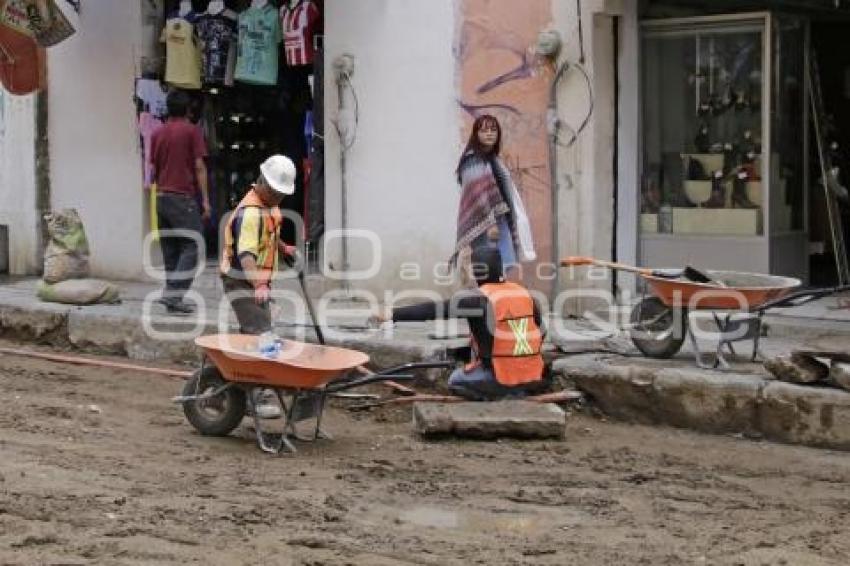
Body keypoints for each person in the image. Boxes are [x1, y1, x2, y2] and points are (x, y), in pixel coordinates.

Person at [374, 246, 547, 401]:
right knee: (480, 342)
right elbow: (542, 332)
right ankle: (518, 389)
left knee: (455, 379)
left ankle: (503, 395)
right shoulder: (524, 293)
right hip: (533, 376)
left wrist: (393, 314)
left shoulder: (477, 299)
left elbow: (434, 309)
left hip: (501, 378)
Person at [219, 154, 298, 336]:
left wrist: (283, 247)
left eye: (281, 195)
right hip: (239, 279)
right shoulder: (251, 214)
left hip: (254, 278)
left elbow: (268, 234)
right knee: (260, 329)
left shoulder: (269, 204)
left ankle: (247, 357)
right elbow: (246, 254)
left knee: (260, 323)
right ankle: (247, 361)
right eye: (276, 194)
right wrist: (259, 284)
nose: (278, 199)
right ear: (263, 184)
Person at [452, 115, 536, 281]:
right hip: (485, 224)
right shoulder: (472, 160)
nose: (489, 133)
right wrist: (490, 224)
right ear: (476, 134)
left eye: (493, 130)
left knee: (502, 267)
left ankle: (494, 304)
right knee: (491, 269)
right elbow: (478, 196)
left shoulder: (492, 159)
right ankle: (489, 304)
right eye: (484, 130)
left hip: (500, 221)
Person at [149, 89, 211, 314]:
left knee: (171, 249)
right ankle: (173, 294)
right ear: (188, 109)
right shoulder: (191, 131)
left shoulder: (157, 133)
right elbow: (199, 167)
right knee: (193, 245)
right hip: (181, 197)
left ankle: (172, 298)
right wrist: (205, 200)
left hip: (161, 196)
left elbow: (154, 168)